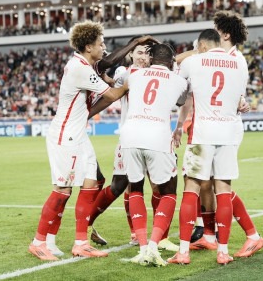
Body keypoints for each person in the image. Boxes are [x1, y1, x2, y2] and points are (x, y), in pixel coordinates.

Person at [28, 21, 147, 261]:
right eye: (100, 44)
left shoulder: (86, 64)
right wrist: (134, 80)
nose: (104, 48)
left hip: (78, 132)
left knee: (94, 181)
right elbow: (113, 94)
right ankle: (39, 241)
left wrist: (133, 46)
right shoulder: (79, 67)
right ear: (88, 46)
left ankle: (79, 242)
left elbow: (106, 94)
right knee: (63, 189)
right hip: (66, 134)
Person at [88, 37, 179, 252]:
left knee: (158, 186)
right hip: (131, 138)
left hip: (156, 137)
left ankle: (161, 237)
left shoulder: (161, 74)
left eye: (147, 53)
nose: (143, 56)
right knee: (121, 186)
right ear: (130, 54)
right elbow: (103, 79)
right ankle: (88, 222)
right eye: (139, 52)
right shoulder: (124, 74)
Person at [168, 29, 248, 265]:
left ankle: (183, 252)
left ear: (202, 45)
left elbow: (178, 89)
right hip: (228, 133)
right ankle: (223, 252)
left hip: (203, 133)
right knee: (223, 190)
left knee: (191, 187)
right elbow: (241, 99)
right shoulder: (238, 63)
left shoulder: (194, 61)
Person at [119, 44, 188, 266]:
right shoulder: (178, 80)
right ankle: (153, 245)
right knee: (169, 192)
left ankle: (141, 247)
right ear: (172, 61)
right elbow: (180, 102)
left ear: (150, 58)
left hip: (130, 135)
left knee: (135, 188)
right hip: (157, 135)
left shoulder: (135, 73)